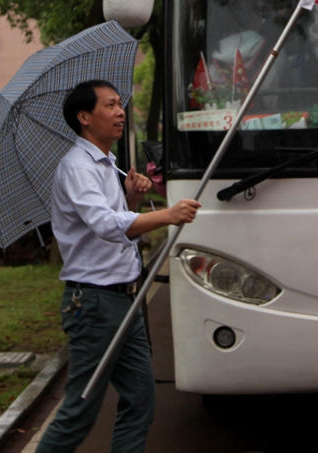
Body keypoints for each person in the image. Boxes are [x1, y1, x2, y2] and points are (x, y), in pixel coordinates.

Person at [36, 80, 201, 453]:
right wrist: (168, 215)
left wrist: (133, 199)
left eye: (119, 104)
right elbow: (106, 226)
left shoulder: (107, 163)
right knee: (79, 410)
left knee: (140, 400)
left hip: (125, 299)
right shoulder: (78, 167)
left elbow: (115, 222)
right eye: (109, 105)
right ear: (84, 117)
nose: (120, 111)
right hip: (95, 303)